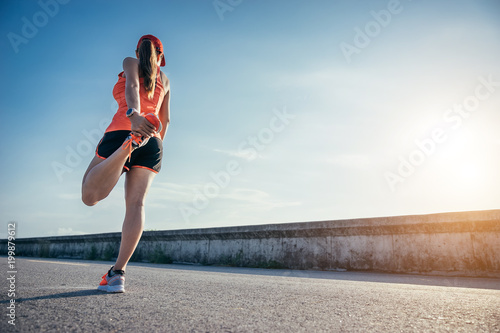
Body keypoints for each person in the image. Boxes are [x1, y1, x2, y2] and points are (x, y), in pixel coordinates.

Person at [81, 34, 170, 293]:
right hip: (152, 140)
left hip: (124, 129)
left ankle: (127, 146)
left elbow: (132, 87)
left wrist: (133, 116)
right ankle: (117, 273)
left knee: (89, 195)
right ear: (160, 58)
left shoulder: (130, 61)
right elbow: (166, 120)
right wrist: (154, 144)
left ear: (139, 51)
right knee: (137, 204)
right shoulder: (165, 79)